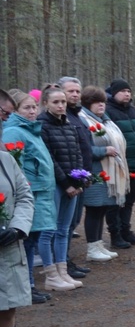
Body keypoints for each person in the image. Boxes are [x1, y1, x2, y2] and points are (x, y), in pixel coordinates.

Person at [3, 91, 55, 303]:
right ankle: (26, 286)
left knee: (32, 240)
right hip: (31, 192)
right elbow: (16, 167)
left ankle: (30, 285)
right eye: (27, 108)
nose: (33, 111)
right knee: (26, 241)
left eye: (35, 107)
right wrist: (28, 187)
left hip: (41, 192)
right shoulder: (14, 132)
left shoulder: (31, 130)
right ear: (15, 110)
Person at [36, 86, 85, 290]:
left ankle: (62, 271)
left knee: (64, 229)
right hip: (55, 185)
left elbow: (77, 153)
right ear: (46, 103)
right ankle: (51, 274)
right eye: (56, 102)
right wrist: (65, 184)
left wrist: (79, 180)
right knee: (49, 230)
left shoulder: (69, 124)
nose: (61, 105)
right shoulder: (42, 125)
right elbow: (49, 158)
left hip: (72, 184)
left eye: (63, 102)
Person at [76, 86, 129, 261]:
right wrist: (103, 151)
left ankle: (99, 244)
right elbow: (83, 148)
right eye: (96, 102)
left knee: (102, 209)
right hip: (95, 171)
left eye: (103, 102)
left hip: (109, 171)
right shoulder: (83, 120)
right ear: (87, 103)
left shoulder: (105, 121)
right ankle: (92, 248)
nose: (101, 106)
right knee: (94, 209)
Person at [0, 142, 34, 327]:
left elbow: (24, 195)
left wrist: (17, 228)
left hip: (7, 246)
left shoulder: (6, 160)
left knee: (7, 306)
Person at [104, 79, 135, 248]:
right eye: (123, 91)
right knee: (116, 201)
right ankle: (115, 234)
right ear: (114, 93)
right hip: (117, 165)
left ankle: (126, 231)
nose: (127, 94)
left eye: (129, 91)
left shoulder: (133, 111)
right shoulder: (107, 112)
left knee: (129, 200)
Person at [58, 77, 94, 278]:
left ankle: (66, 260)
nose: (74, 95)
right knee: (64, 224)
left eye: (77, 91)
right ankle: (61, 262)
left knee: (72, 223)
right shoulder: (62, 119)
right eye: (70, 91)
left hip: (81, 178)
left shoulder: (77, 116)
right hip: (68, 180)